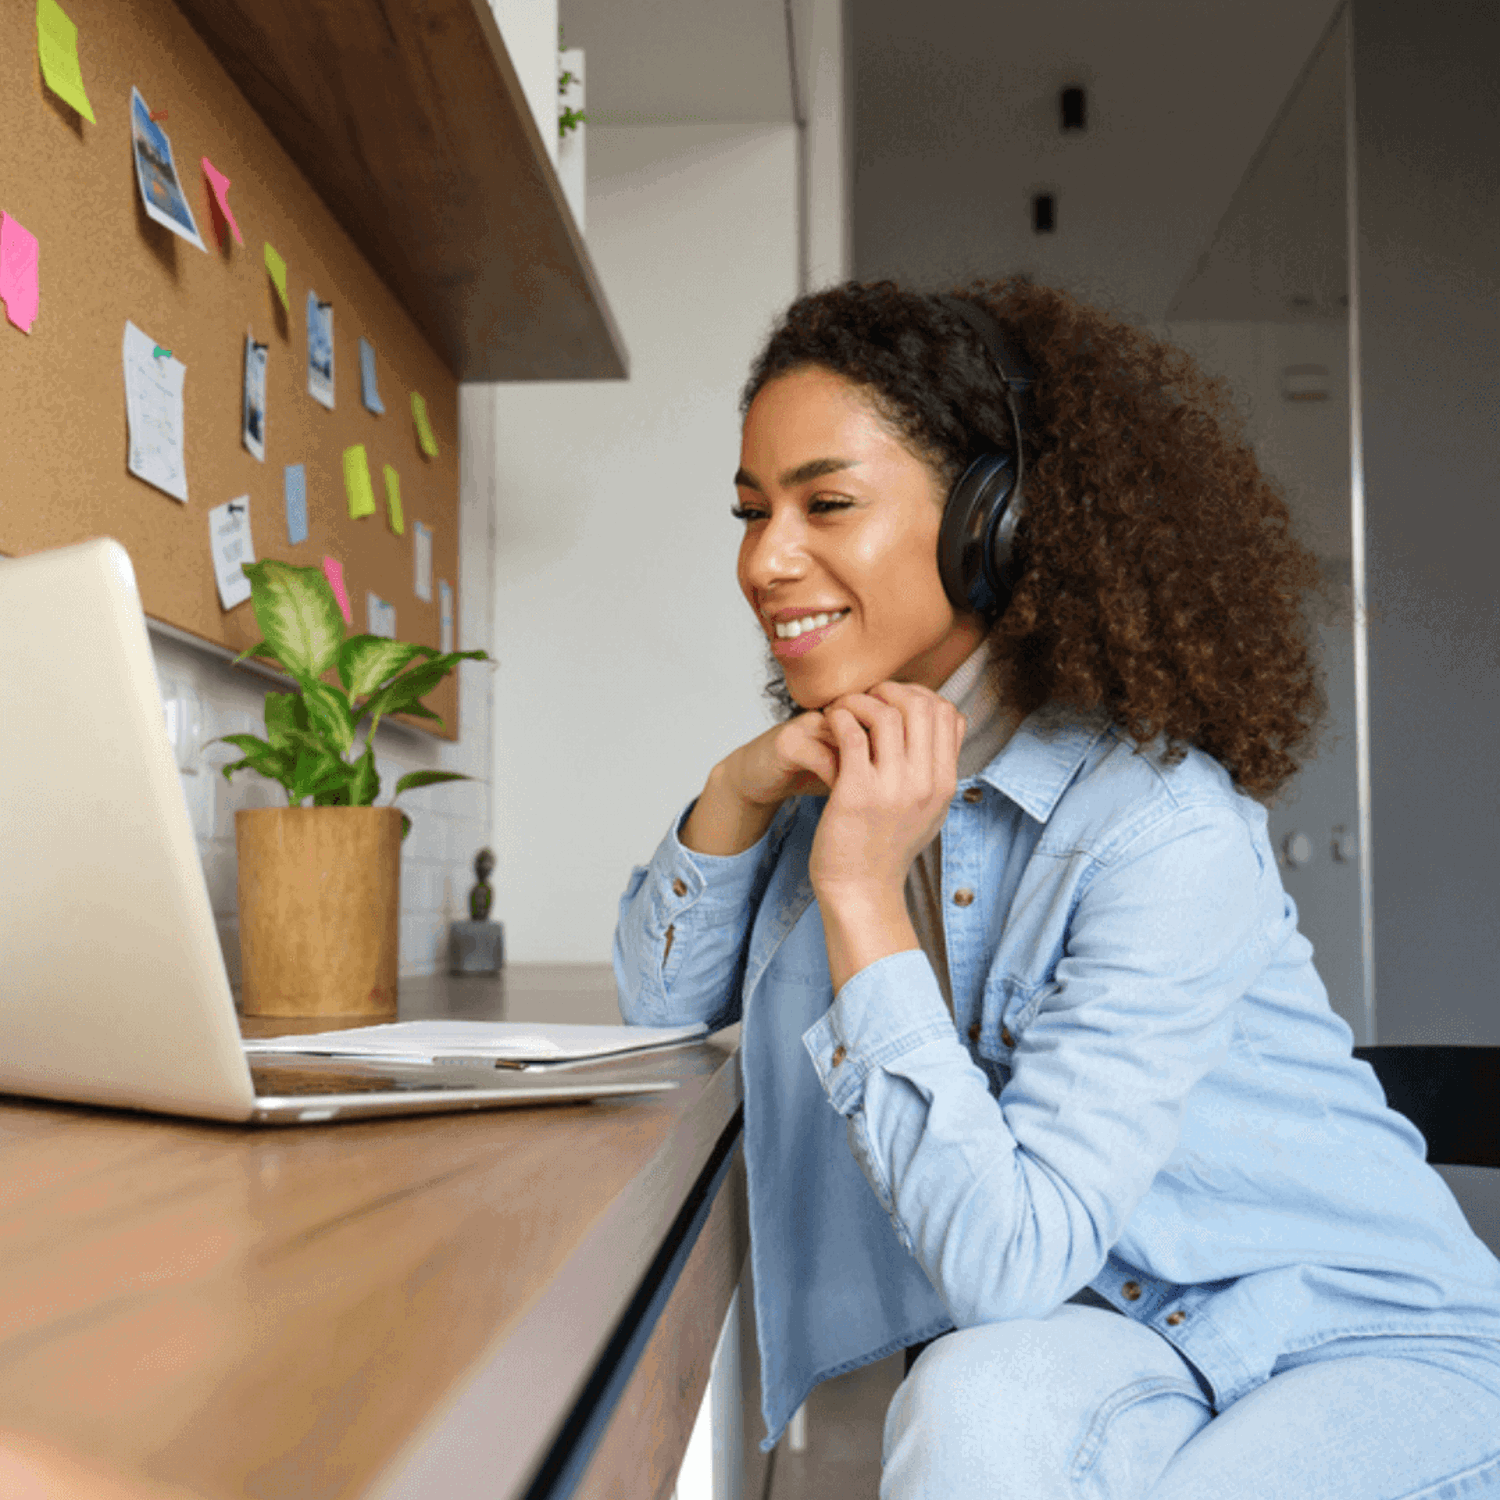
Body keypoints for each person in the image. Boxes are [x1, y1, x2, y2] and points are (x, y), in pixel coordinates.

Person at [614, 279, 1500, 1498]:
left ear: (994, 521)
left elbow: (1003, 1264)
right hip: (1130, 1333)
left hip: (1357, 1337)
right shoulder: (864, 769)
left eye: (826, 503)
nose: (767, 559)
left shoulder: (1159, 826)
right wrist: (737, 791)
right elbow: (662, 1004)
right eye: (751, 511)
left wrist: (863, 896)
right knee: (967, 1404)